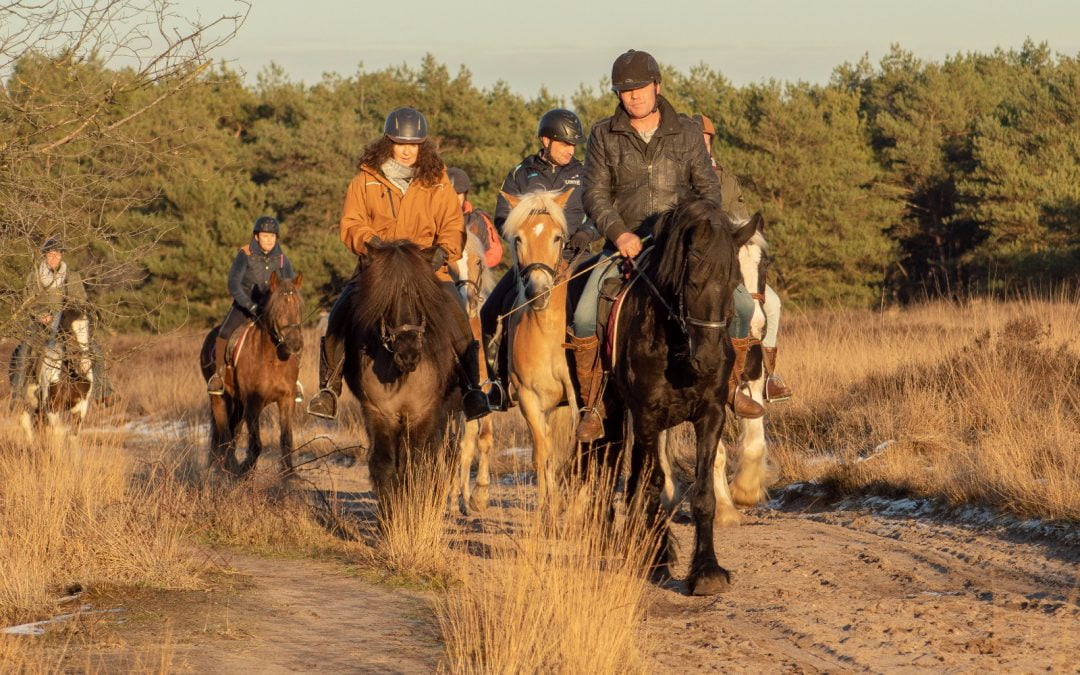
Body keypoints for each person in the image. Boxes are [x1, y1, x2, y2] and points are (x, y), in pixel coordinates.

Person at [573, 49, 763, 442]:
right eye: (625, 91)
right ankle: (593, 403)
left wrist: (686, 230)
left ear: (657, 86)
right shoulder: (603, 134)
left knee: (743, 305)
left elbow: (707, 190)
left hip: (681, 245)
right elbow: (594, 194)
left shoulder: (687, 133)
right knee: (585, 313)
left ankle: (734, 387)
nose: (634, 96)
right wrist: (618, 232)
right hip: (625, 245)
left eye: (640, 87)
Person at [307, 107, 492, 421]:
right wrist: (372, 244)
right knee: (340, 311)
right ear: (387, 142)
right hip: (378, 269)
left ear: (423, 145)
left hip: (425, 269)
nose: (407, 150)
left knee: (457, 312)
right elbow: (351, 223)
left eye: (414, 144)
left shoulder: (438, 181)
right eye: (400, 143)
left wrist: (442, 251)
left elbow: (452, 224)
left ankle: (472, 388)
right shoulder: (365, 181)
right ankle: (329, 388)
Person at [479, 109, 598, 407]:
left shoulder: (583, 174)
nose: (570, 150)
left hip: (576, 260)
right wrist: (529, 237)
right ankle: (499, 384)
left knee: (592, 315)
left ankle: (597, 387)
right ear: (546, 140)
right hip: (532, 264)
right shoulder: (521, 174)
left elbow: (599, 212)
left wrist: (587, 233)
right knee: (491, 312)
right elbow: (503, 216)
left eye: (574, 144)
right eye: (564, 143)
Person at [694, 113, 791, 402]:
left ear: (711, 143)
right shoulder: (679, 177)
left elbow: (742, 219)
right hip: (702, 262)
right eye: (694, 142)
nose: (701, 146)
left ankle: (769, 375)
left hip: (735, 258)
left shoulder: (727, 180)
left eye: (705, 141)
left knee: (771, 304)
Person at [11, 238, 112, 405]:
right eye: (50, 255)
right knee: (23, 350)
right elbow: (28, 302)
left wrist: (69, 313)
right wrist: (41, 315)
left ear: (62, 256)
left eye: (56, 255)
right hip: (41, 325)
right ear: (44, 256)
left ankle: (103, 392)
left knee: (95, 351)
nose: (53, 258)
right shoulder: (34, 277)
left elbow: (81, 300)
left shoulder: (73, 277)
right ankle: (18, 395)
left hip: (66, 324)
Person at [207, 216, 298, 397]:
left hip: (272, 308)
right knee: (224, 333)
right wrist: (250, 305)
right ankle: (218, 376)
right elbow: (234, 283)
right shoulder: (245, 253)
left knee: (292, 335)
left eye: (272, 236)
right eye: (265, 236)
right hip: (245, 303)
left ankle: (294, 382)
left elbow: (291, 285)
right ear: (256, 237)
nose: (269, 240)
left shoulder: (281, 259)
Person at [447, 167, 502, 276]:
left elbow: (495, 252)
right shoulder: (433, 220)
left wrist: (475, 263)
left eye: (458, 194)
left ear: (465, 194)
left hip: (477, 277)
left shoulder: (479, 219)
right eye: (449, 194)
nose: (453, 199)